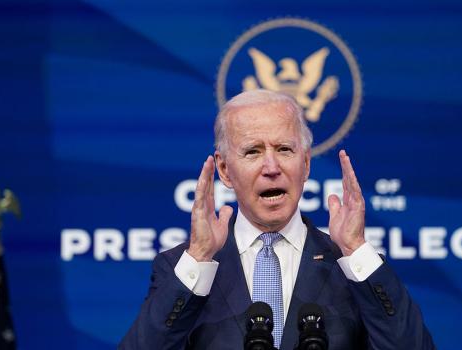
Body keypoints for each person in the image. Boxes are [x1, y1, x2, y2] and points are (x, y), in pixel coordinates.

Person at [120, 89, 435, 349]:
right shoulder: (182, 268)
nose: (271, 167)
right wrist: (200, 256)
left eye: (284, 149)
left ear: (306, 164)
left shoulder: (352, 268)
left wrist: (355, 248)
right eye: (253, 152)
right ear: (225, 169)